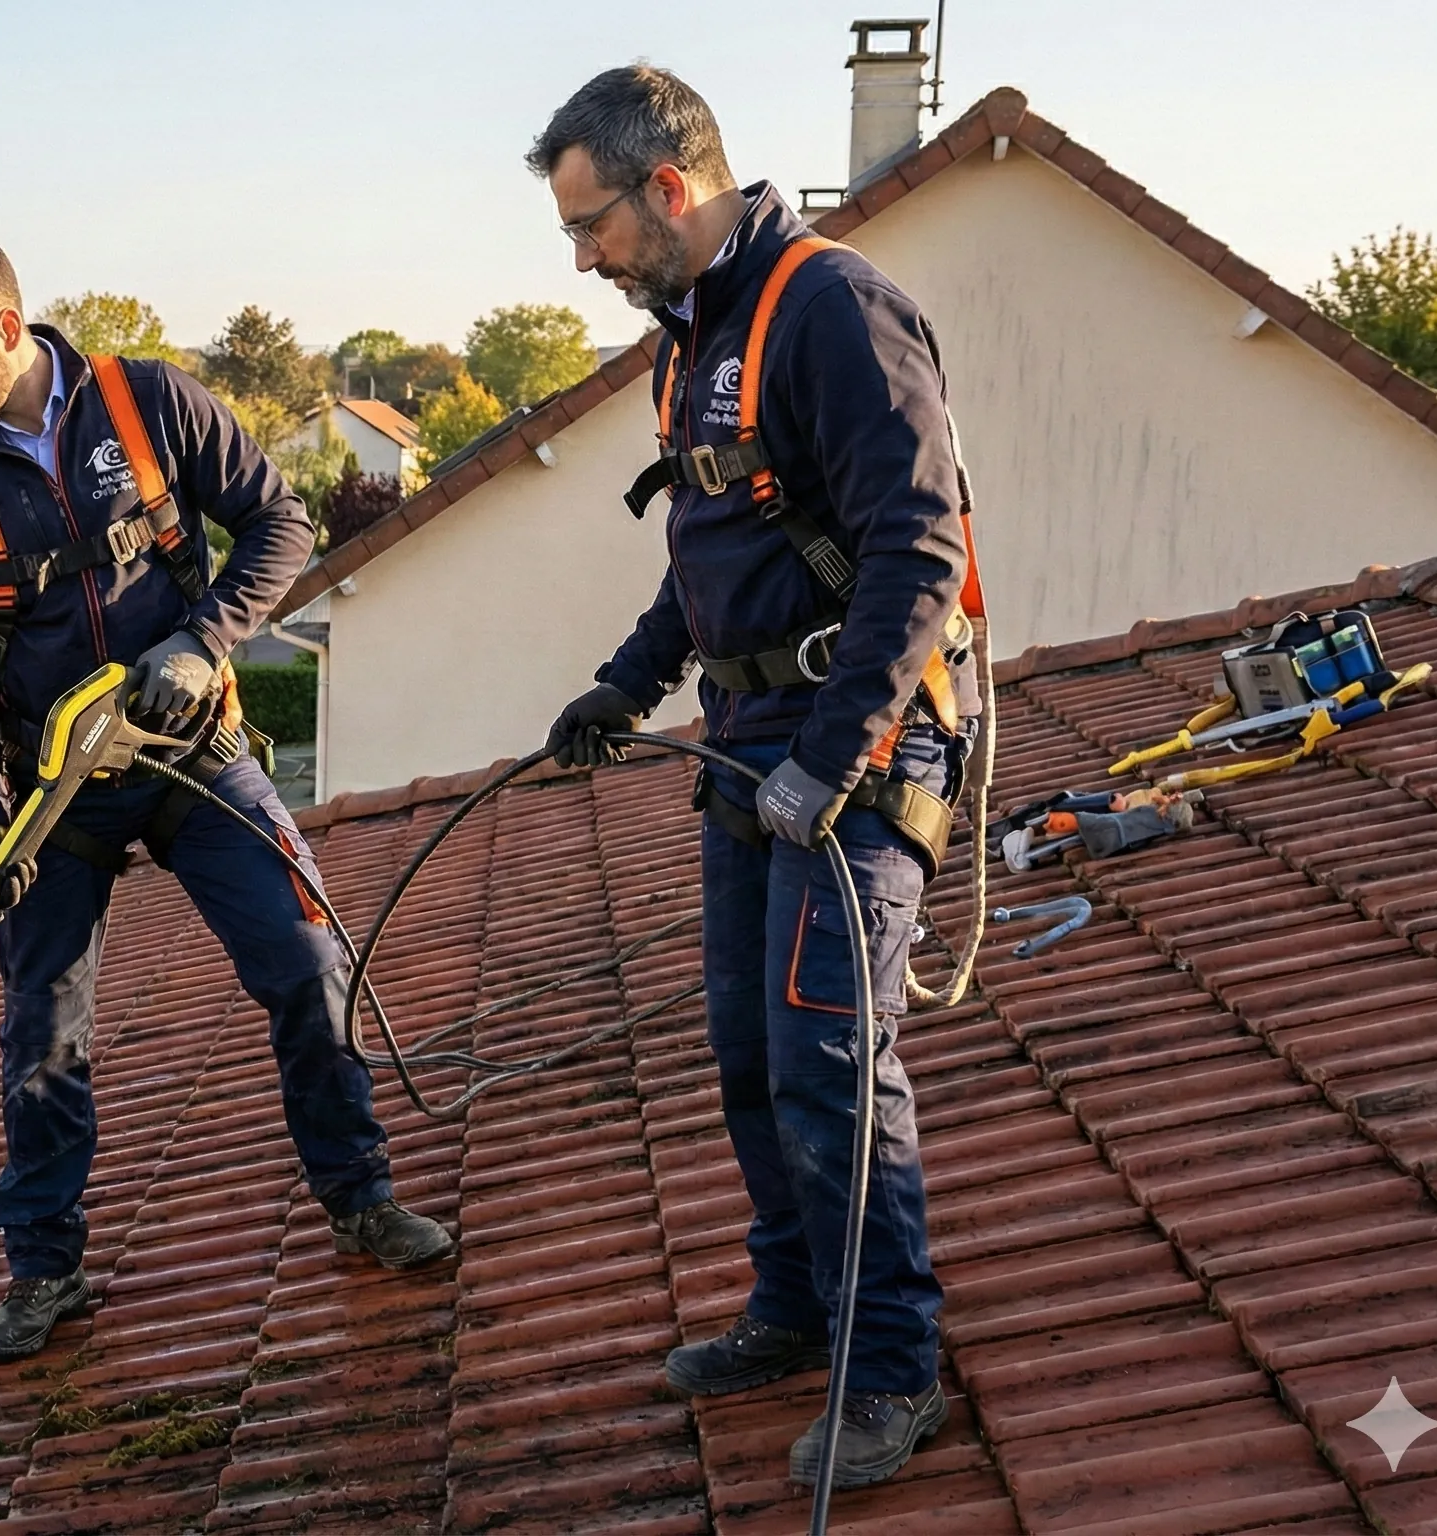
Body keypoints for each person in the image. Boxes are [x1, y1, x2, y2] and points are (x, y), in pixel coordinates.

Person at [0, 227, 455, 1366]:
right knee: (42, 1029)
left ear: (4, 325)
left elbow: (280, 523)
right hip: (57, 792)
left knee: (307, 960)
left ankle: (360, 1196)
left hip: (195, 754)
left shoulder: (147, 404)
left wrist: (203, 636)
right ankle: (44, 1267)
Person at [531, 67, 976, 1489]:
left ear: (669, 190)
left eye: (591, 225)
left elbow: (916, 551)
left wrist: (836, 761)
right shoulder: (691, 342)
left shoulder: (833, 310)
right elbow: (708, 560)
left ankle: (894, 1365)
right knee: (743, 1047)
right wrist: (626, 679)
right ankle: (794, 1306)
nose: (583, 258)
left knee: (829, 1054)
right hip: (746, 738)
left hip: (865, 730)